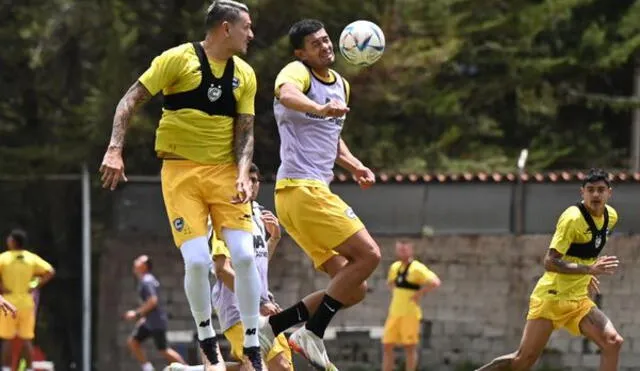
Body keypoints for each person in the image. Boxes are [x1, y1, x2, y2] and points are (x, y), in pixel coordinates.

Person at [99, 1, 265, 368]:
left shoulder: (246, 75)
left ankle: (252, 342)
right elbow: (130, 100)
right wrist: (115, 148)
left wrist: (241, 172)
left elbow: (246, 132)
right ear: (225, 27)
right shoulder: (177, 60)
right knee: (196, 262)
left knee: (244, 255)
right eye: (247, 27)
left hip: (225, 175)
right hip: (181, 175)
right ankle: (207, 336)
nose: (251, 35)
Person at [257, 19, 382, 370]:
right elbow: (286, 94)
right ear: (302, 53)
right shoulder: (297, 72)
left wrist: (355, 165)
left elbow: (332, 137)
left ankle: (276, 327)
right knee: (369, 254)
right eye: (316, 44)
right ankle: (312, 333)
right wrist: (319, 108)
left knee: (353, 288)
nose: (325, 47)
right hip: (302, 189)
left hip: (301, 197)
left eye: (327, 40)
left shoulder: (341, 84)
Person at [475, 168, 623, 371]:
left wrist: (587, 274)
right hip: (551, 297)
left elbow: (589, 247)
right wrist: (588, 269)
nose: (596, 195)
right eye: (590, 190)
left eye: (600, 190)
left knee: (613, 342)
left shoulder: (611, 217)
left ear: (609, 193)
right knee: (523, 360)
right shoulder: (572, 218)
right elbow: (550, 262)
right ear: (582, 192)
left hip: (578, 300)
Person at [165, 164, 293, 371]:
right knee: (279, 365)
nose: (250, 184)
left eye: (254, 180)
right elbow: (222, 270)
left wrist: (274, 240)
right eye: (246, 179)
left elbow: (255, 266)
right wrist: (259, 302)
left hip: (260, 306)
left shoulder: (259, 214)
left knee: (268, 365)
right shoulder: (224, 217)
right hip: (238, 307)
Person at [0, 229, 55, 371]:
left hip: (8, 303)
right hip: (26, 302)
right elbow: (50, 271)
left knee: (7, 338)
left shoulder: (4, 258)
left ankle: (5, 368)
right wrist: (35, 285)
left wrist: (2, 287)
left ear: (13, 242)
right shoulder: (31, 258)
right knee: (27, 338)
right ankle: (29, 368)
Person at [382, 240, 441, 371]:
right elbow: (390, 283)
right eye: (400, 249)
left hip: (410, 314)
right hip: (394, 312)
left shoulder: (417, 268)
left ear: (411, 250)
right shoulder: (395, 267)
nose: (402, 252)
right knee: (387, 345)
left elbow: (435, 282)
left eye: (404, 249)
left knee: (409, 347)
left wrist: (419, 294)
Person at [125, 255, 186, 370]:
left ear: (144, 266)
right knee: (133, 341)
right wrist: (143, 318)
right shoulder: (146, 280)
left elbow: (153, 301)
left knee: (163, 349)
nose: (135, 262)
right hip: (149, 322)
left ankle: (186, 369)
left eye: (138, 261)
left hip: (156, 322)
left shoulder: (147, 281)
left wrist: (136, 314)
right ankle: (148, 368)